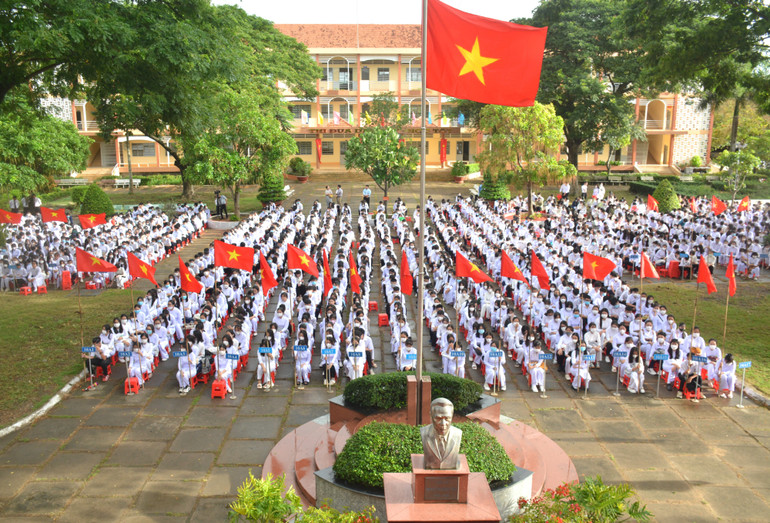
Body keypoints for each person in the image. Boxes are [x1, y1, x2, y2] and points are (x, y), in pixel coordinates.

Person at [420, 398, 462, 470]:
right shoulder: (424, 433)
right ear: (431, 415)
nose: (443, 424)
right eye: (438, 418)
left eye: (447, 418)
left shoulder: (457, 433)